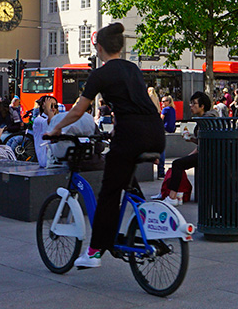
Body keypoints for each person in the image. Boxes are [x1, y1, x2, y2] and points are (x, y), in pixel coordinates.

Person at [44, 22, 165, 269]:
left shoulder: (100, 74)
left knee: (109, 192)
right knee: (126, 183)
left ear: (99, 48)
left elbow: (79, 110)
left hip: (131, 135)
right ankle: (148, 223)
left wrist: (56, 129)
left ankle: (95, 250)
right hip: (155, 132)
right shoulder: (133, 69)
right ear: (120, 47)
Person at [161, 92, 221, 206]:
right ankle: (176, 195)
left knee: (177, 164)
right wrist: (192, 140)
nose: (191, 106)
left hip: (209, 156)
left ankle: (172, 196)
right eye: (191, 103)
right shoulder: (208, 119)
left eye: (194, 103)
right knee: (179, 163)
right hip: (209, 153)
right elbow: (204, 142)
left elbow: (206, 143)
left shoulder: (206, 121)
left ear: (202, 106)